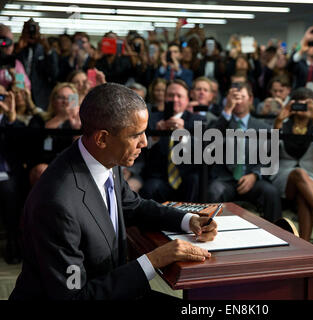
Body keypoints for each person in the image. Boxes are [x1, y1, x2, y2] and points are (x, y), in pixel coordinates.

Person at [9, 82, 217, 300]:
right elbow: (74, 298)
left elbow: (134, 206)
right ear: (102, 138)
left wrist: (187, 220)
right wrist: (153, 260)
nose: (144, 143)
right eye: (136, 135)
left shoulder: (106, 158)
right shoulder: (56, 203)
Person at [271, 88, 313, 241]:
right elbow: (268, 153)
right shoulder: (283, 123)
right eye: (298, 103)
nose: (302, 107)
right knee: (299, 173)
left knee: (304, 195)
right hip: (284, 177)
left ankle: (304, 245)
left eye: (306, 104)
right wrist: (278, 123)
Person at [207, 82, 282, 222]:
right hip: (225, 180)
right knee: (213, 191)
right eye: (233, 97)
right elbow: (209, 144)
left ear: (251, 99)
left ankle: (277, 237)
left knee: (271, 192)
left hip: (253, 179)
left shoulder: (263, 127)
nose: (238, 101)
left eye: (241, 96)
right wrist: (227, 111)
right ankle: (209, 233)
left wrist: (255, 175)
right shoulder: (219, 123)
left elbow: (271, 156)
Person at [140, 79, 204, 203]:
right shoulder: (152, 119)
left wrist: (184, 137)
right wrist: (155, 137)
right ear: (165, 98)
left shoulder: (197, 120)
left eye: (179, 96)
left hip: (187, 177)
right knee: (150, 188)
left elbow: (203, 154)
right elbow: (141, 152)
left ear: (187, 99)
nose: (175, 99)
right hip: (160, 177)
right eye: (171, 95)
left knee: (196, 181)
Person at [27, 82, 81, 185]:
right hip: (42, 164)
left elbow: (79, 152)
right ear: (53, 101)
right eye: (61, 97)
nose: (65, 102)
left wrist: (76, 129)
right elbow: (32, 144)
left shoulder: (78, 123)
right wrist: (61, 117)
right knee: (41, 170)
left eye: (70, 98)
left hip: (68, 165)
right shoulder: (39, 119)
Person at [0, 85, 26, 264]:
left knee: (9, 188)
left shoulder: (13, 122)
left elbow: (20, 150)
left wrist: (11, 118)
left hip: (6, 173)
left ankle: (12, 240)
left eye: (2, 96)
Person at [14, 19, 59, 109]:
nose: (31, 33)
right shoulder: (17, 48)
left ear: (39, 31)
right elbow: (13, 69)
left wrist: (47, 50)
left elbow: (54, 74)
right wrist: (17, 51)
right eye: (28, 30)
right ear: (23, 31)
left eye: (34, 30)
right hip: (20, 95)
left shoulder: (45, 49)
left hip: (41, 98)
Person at [0, 24, 31, 91]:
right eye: (4, 41)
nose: (8, 46)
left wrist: (14, 76)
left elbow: (25, 88)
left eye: (10, 42)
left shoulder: (16, 64)